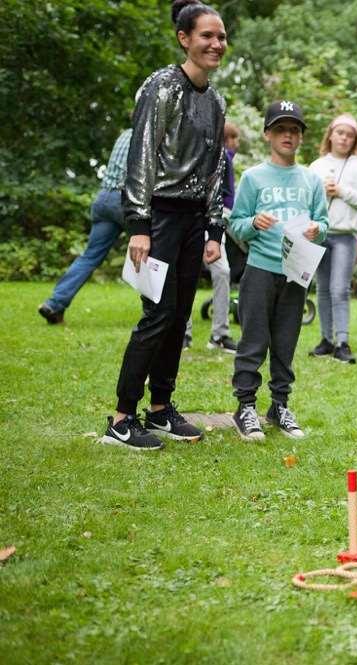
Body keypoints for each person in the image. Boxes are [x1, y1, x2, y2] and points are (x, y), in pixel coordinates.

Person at [100, 0, 228, 451]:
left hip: (194, 221)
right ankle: (120, 418)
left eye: (221, 36)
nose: (216, 43)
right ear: (184, 38)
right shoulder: (161, 87)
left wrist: (214, 231)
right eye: (207, 35)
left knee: (178, 318)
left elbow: (216, 172)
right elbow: (142, 157)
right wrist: (139, 223)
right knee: (156, 316)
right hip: (159, 217)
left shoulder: (216, 101)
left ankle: (160, 409)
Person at [227, 100, 328, 441]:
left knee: (285, 341)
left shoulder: (311, 180)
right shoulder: (253, 178)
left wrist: (317, 229)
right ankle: (245, 407)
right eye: (281, 129)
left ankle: (279, 405)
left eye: (295, 130)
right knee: (254, 339)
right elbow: (236, 225)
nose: (288, 135)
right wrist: (253, 222)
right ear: (268, 134)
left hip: (295, 271)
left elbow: (324, 223)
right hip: (260, 269)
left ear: (301, 138)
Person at [38, 128, 132, 324]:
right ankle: (159, 316)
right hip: (125, 201)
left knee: (89, 256)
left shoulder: (125, 134)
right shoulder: (147, 136)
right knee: (157, 253)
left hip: (103, 198)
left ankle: (54, 304)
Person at [308, 113, 357, 363]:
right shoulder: (316, 166)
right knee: (324, 289)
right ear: (331, 135)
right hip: (321, 234)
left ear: (355, 139)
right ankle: (326, 339)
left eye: (350, 135)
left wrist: (343, 191)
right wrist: (323, 196)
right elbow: (307, 201)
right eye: (340, 133)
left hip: (345, 236)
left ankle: (342, 341)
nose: (344, 138)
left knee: (340, 289)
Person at [184, 121, 241, 352]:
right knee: (186, 275)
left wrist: (222, 222)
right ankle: (183, 334)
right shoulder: (190, 151)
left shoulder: (224, 159)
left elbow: (227, 196)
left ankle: (220, 334)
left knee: (222, 272)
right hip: (191, 221)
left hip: (215, 224)